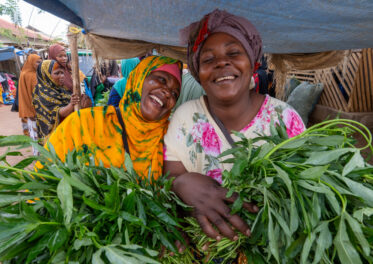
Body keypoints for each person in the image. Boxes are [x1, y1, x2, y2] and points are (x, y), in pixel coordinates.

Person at [163, 9, 305, 256]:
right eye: (208, 60)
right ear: (198, 73)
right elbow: (169, 178)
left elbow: (302, 194)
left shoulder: (284, 119)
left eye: (233, 53)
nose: (221, 63)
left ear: (253, 62)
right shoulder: (185, 118)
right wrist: (182, 183)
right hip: (204, 252)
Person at [44, 56, 182, 179]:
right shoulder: (85, 123)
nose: (168, 93)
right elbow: (45, 177)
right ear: (138, 77)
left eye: (175, 93)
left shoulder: (172, 138)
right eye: (162, 79)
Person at [32, 60, 91, 142]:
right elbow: (56, 112)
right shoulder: (41, 91)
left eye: (62, 73)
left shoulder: (62, 89)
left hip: (66, 131)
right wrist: (71, 104)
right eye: (57, 73)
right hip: (53, 136)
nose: (62, 76)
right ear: (46, 74)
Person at [17, 54, 42, 154]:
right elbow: (34, 96)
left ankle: (37, 155)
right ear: (31, 62)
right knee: (38, 135)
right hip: (34, 111)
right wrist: (33, 111)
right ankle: (40, 158)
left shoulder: (23, 73)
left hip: (28, 110)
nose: (39, 64)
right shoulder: (32, 76)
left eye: (40, 62)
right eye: (37, 62)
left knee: (33, 135)